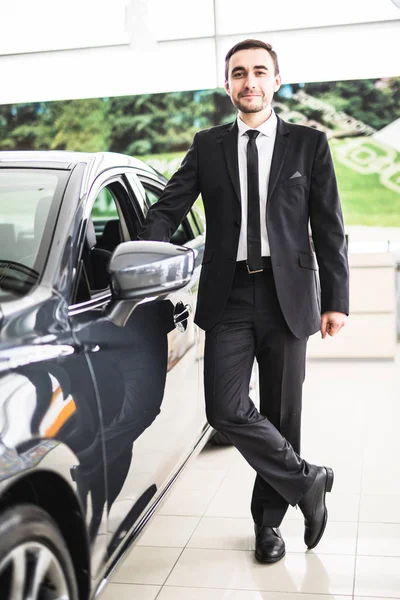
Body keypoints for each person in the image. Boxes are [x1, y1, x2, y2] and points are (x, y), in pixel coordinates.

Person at [139, 39, 349, 564]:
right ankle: (308, 480)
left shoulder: (308, 144)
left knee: (281, 416)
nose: (248, 81)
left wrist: (336, 299)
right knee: (224, 408)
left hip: (290, 295)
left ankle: (267, 527)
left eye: (259, 72)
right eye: (238, 73)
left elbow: (329, 227)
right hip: (228, 292)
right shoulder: (208, 145)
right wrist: (137, 248)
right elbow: (169, 207)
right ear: (227, 83)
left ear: (276, 80)